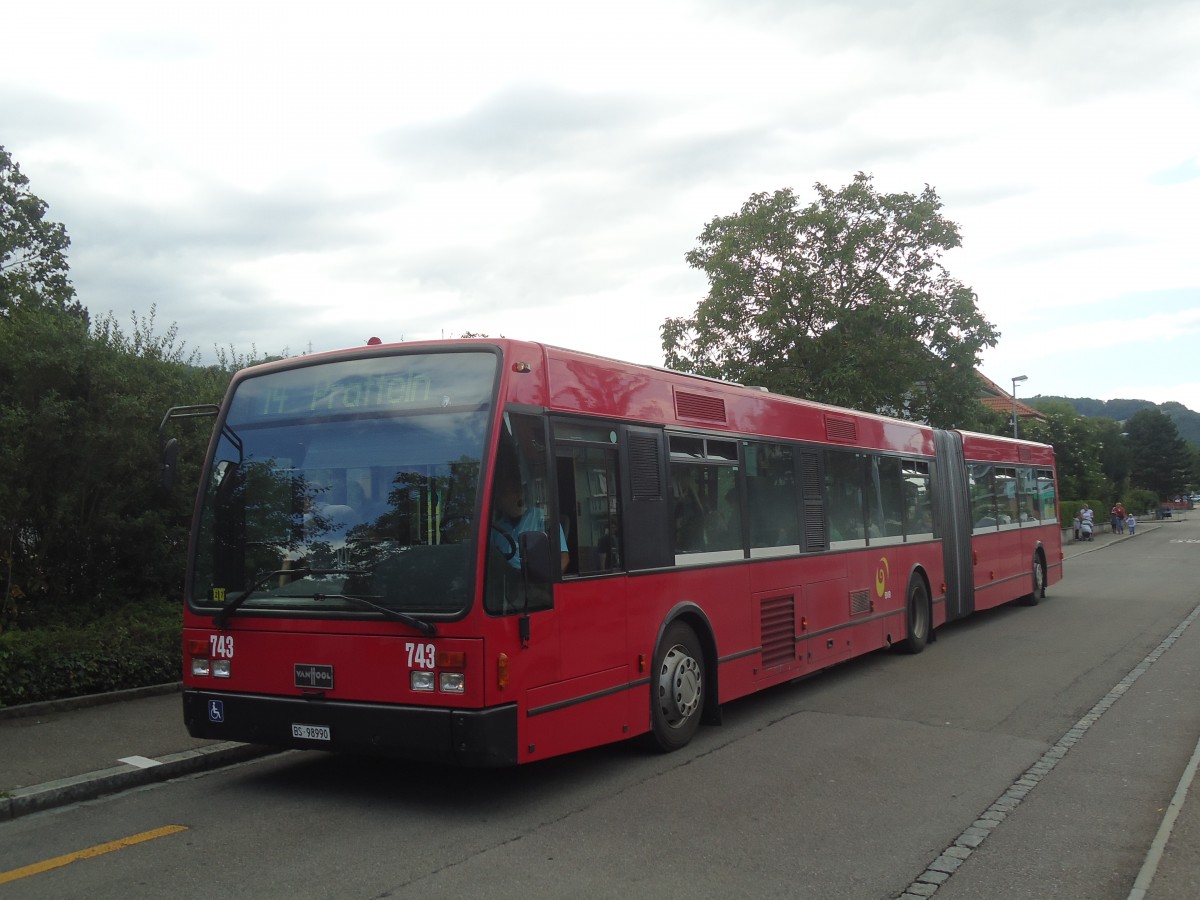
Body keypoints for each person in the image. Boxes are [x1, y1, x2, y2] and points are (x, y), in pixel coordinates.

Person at [491, 469, 569, 573]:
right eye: (502, 494)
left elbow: (564, 558)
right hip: (505, 583)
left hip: (533, 583)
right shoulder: (495, 528)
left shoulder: (543, 518)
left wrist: (547, 584)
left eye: (505, 493)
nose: (499, 498)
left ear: (520, 494)